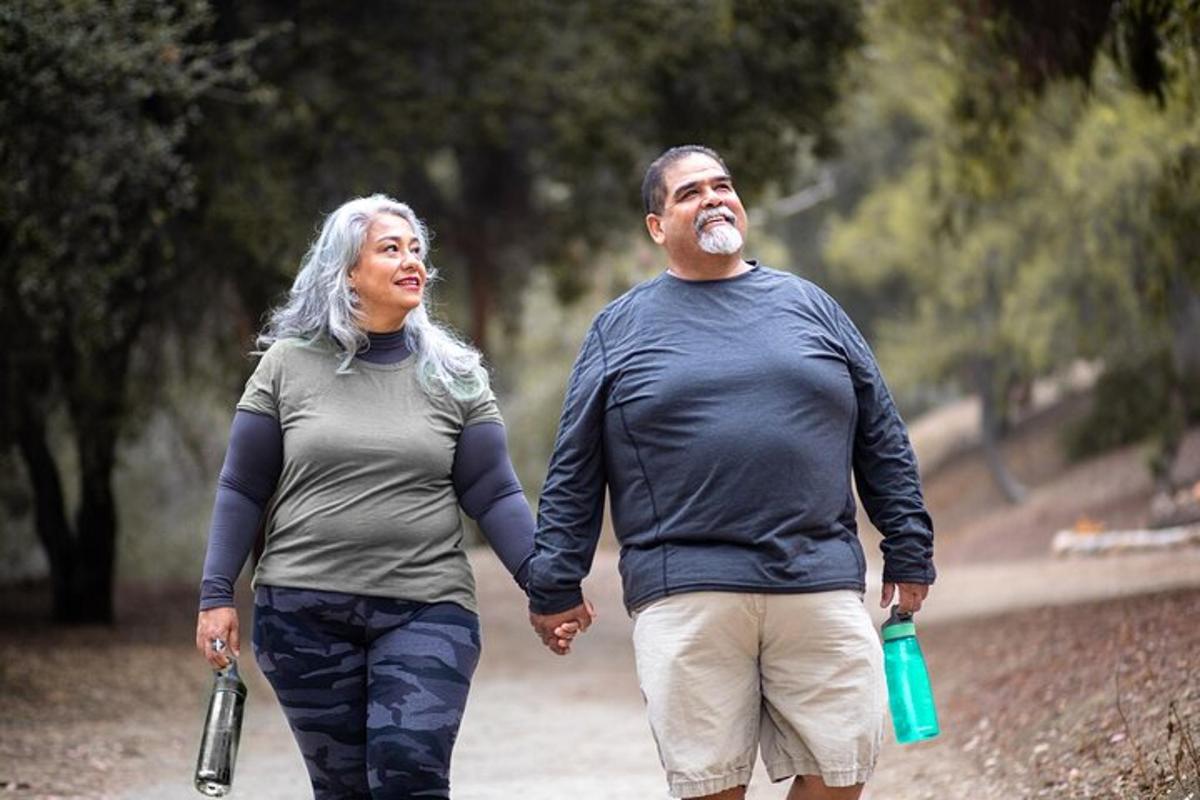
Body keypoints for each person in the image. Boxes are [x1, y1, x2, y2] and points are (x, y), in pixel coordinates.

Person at [526, 146, 936, 800]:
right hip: (687, 590)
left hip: (818, 579)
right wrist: (554, 583)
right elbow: (576, 464)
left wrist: (908, 549)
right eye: (689, 192)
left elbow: (880, 432)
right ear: (658, 227)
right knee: (712, 786)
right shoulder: (620, 328)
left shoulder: (811, 306)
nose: (714, 198)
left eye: (723, 186)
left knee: (843, 767)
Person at [195, 194, 577, 799]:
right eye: (391, 248)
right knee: (342, 788)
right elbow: (243, 485)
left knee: (410, 768)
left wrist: (547, 586)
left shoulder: (455, 374)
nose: (412, 262)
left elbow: (493, 491)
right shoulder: (286, 366)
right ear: (346, 271)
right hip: (302, 613)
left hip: (426, 605)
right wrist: (216, 594)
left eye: (417, 249)